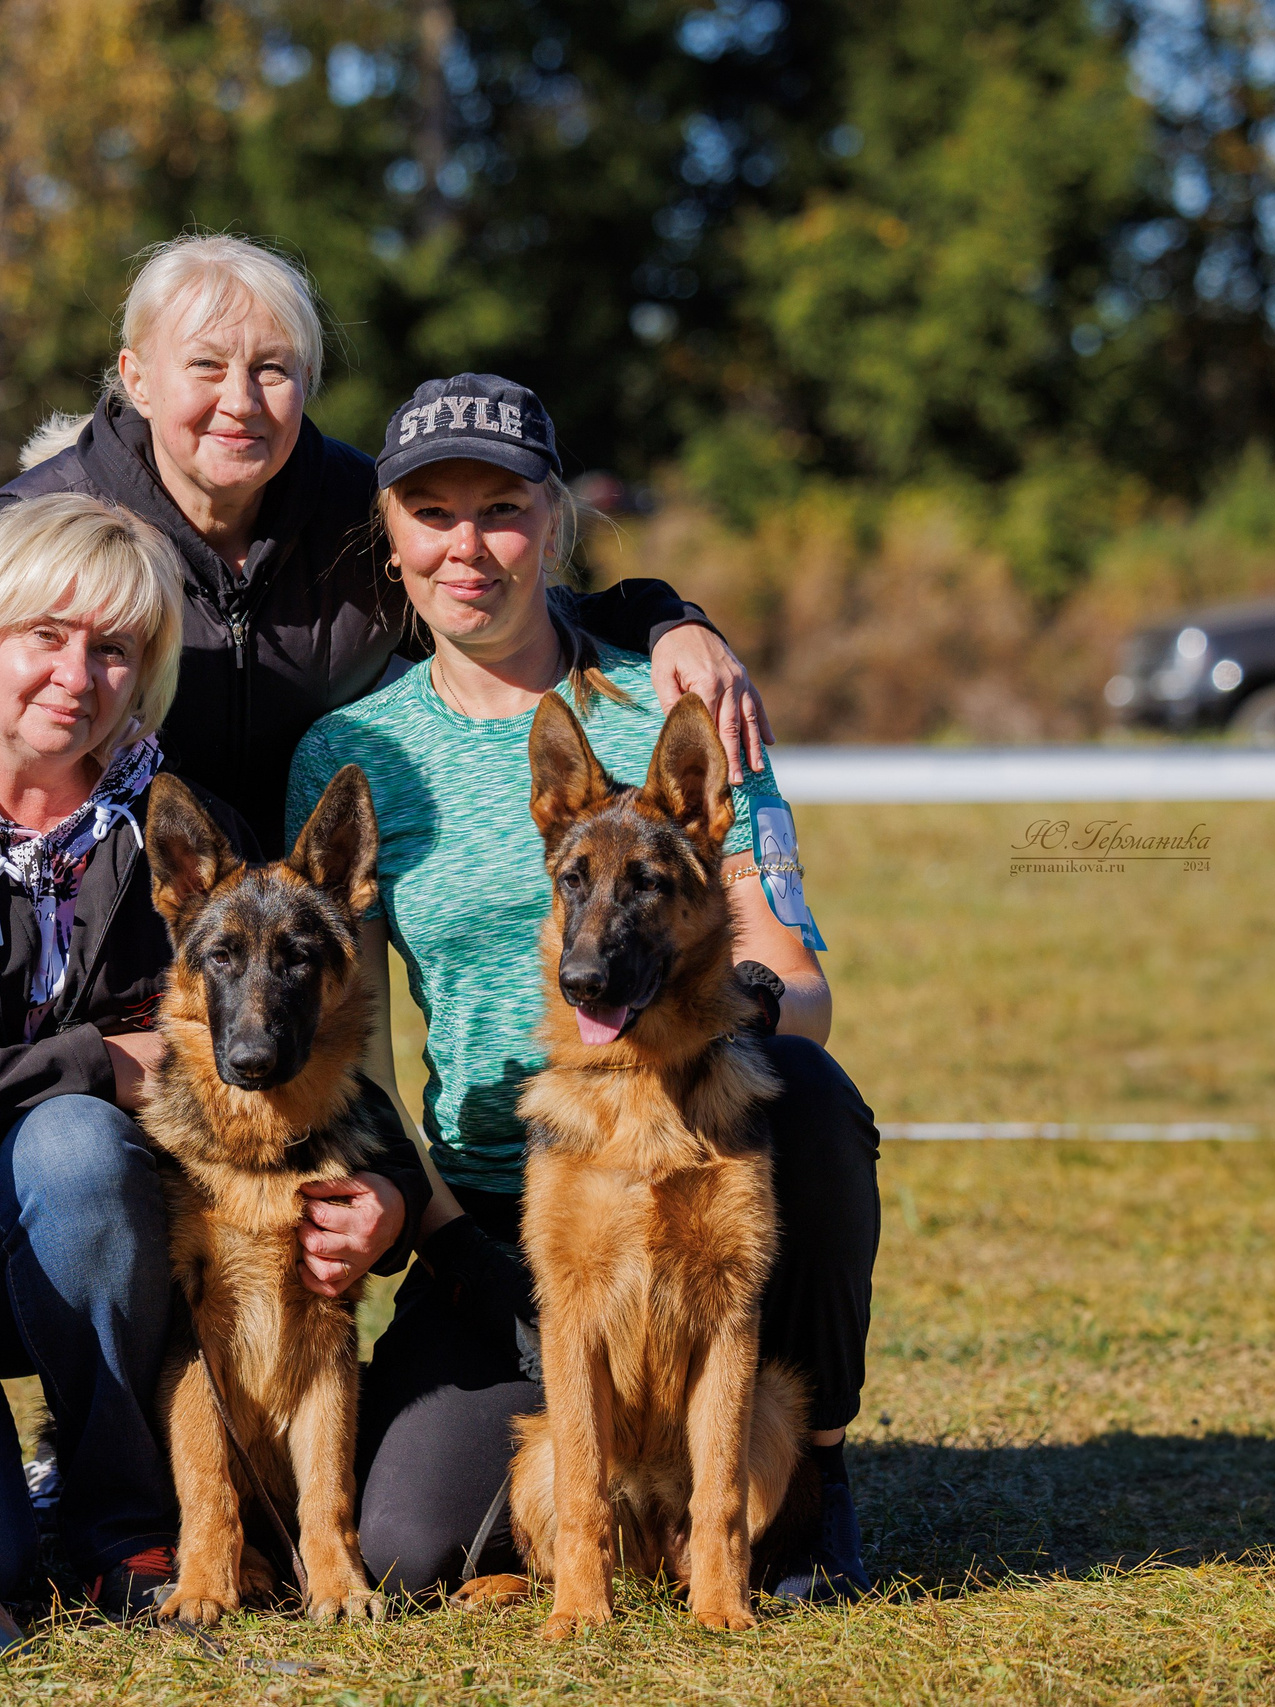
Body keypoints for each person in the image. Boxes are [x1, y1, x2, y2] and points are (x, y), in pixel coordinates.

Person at [0, 493, 432, 1617]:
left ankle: (124, 1522)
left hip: (73, 1250)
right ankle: (33, 1497)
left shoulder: (155, 829)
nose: (76, 672)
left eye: (114, 648)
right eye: (43, 636)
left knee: (75, 1161)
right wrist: (85, 1064)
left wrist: (388, 1191)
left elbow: (289, 1037)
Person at [283, 374, 880, 1606]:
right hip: (498, 1216)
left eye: (500, 509)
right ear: (387, 536)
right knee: (404, 1547)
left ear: (554, 519)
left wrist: (729, 1017)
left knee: (811, 1096)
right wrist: (434, 1228)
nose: (467, 547)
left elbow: (800, 978)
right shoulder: (349, 754)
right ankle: (582, 1510)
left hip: (697, 1138)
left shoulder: (681, 697)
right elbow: (359, 1048)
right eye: (430, 513)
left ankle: (812, 1494)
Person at [0, 233, 777, 858]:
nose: (240, 403)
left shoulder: (357, 505)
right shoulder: (49, 517)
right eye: (205, 365)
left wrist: (663, 620)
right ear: (137, 378)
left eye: (275, 368)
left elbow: (500, 595)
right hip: (126, 900)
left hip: (309, 904)